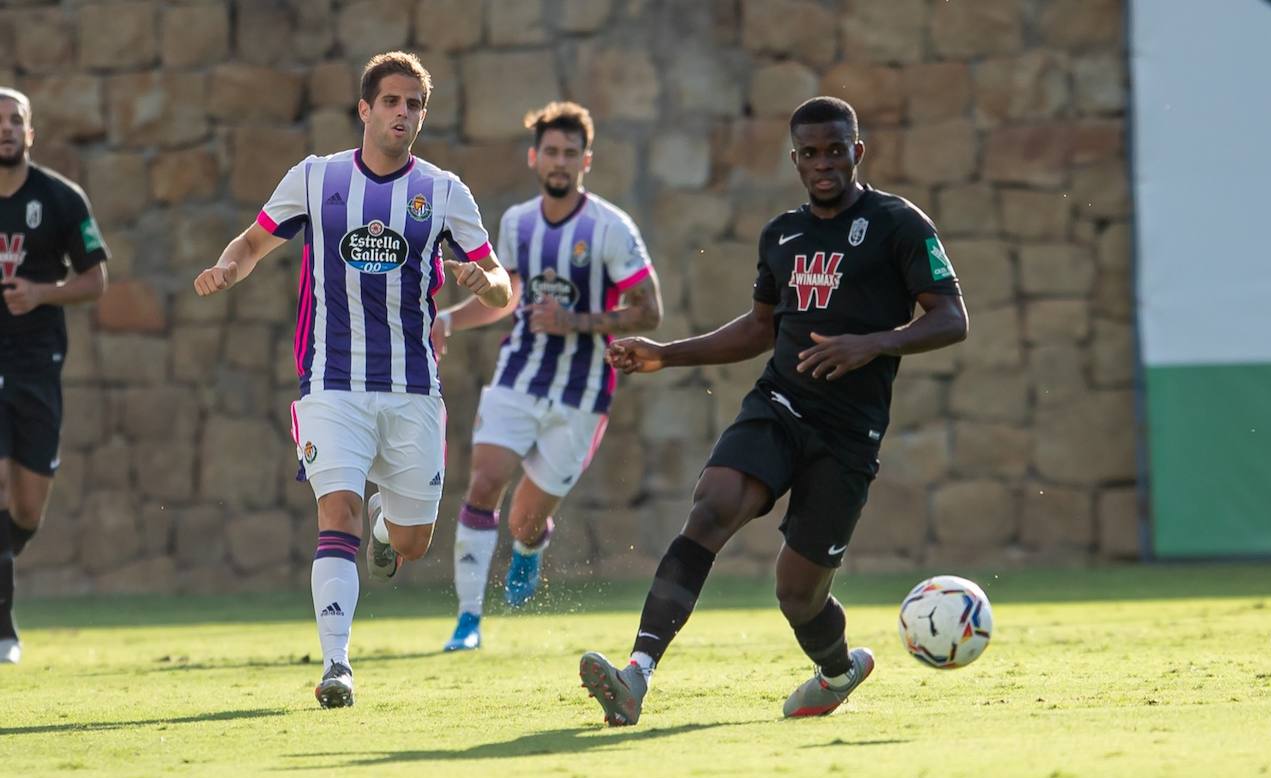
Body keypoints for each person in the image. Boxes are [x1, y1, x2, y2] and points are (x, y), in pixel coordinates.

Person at [579, 96, 969, 725]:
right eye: (810, 154)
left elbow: (953, 317)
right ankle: (636, 674)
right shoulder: (781, 235)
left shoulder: (900, 224)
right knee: (713, 506)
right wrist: (666, 354)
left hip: (848, 435)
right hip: (780, 404)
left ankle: (839, 670)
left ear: (856, 152)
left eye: (835, 151)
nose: (823, 165)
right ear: (794, 160)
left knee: (798, 592)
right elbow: (763, 328)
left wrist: (873, 344)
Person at [194, 52, 511, 707]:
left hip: (412, 389)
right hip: (329, 383)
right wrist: (226, 267)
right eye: (391, 101)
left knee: (415, 540)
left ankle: (388, 533)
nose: (403, 113)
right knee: (335, 509)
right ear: (364, 109)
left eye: (414, 104)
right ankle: (337, 663)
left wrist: (487, 281)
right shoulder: (316, 178)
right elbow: (253, 242)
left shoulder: (444, 192)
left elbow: (503, 286)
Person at [431, 101, 660, 652]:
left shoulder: (611, 228)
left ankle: (529, 550)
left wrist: (576, 321)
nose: (560, 162)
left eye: (570, 153)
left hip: (583, 394)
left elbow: (648, 311)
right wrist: (449, 320)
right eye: (550, 152)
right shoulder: (517, 223)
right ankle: (467, 622)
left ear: (586, 161)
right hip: (519, 374)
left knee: (523, 522)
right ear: (535, 158)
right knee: (484, 481)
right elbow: (504, 299)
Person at [0, 87, 110, 666]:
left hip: (38, 364)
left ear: (30, 132)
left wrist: (41, 292)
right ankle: (3, 630)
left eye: (15, 120)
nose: (6, 128)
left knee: (26, 509)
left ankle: (5, 559)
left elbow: (96, 281)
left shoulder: (61, 199)